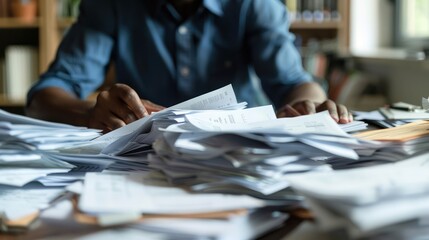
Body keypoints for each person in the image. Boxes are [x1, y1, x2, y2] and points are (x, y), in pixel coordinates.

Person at [26, 0, 352, 133]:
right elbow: (45, 96)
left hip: (243, 149)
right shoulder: (111, 4)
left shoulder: (254, 4)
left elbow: (293, 81)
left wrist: (308, 103)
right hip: (141, 155)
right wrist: (89, 114)